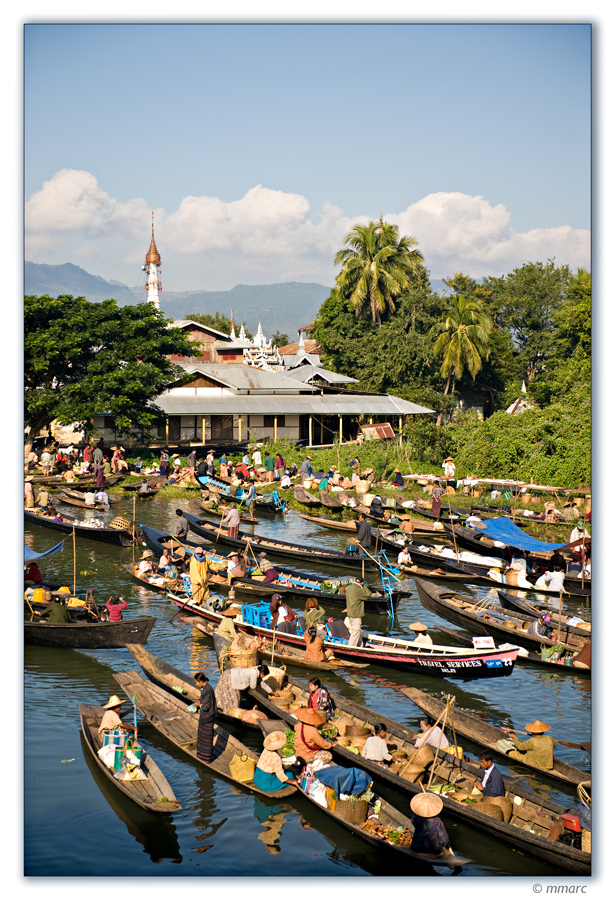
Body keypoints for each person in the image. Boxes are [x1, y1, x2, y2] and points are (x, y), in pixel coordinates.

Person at [194, 673, 217, 763]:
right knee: (202, 735)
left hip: (208, 716)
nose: (196, 684)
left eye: (196, 683)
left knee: (206, 738)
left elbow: (206, 706)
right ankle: (201, 755)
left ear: (200, 682)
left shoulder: (208, 690)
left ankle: (206, 758)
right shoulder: (205, 688)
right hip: (206, 716)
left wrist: (197, 704)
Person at [344, 577, 370, 647]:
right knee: (355, 632)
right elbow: (368, 594)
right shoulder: (359, 590)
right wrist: (364, 587)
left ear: (355, 581)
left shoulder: (348, 588)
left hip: (350, 613)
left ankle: (360, 645)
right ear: (361, 583)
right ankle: (350, 647)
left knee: (358, 631)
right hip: (356, 614)